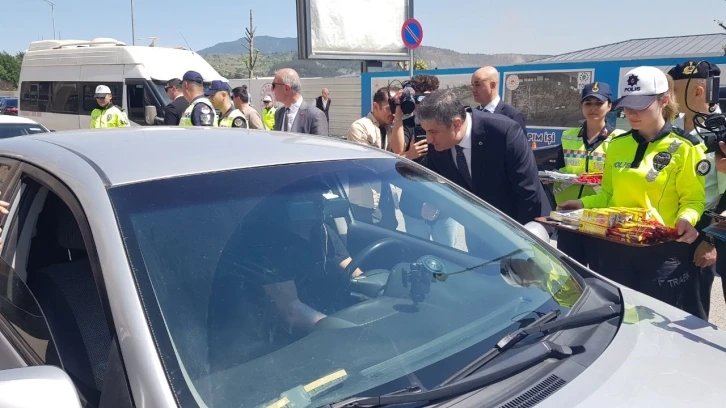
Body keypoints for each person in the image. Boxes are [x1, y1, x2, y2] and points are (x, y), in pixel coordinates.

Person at [559, 66, 705, 308]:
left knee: (655, 319)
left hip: (660, 253)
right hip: (615, 250)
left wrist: (687, 219)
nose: (631, 113)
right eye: (627, 106)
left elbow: (693, 200)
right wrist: (581, 204)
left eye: (641, 106)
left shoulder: (686, 147)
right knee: (618, 315)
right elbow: (608, 195)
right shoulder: (617, 144)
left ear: (664, 101)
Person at [417, 89, 551, 252]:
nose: (428, 139)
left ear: (456, 124)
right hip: (479, 229)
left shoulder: (503, 132)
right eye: (425, 131)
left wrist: (522, 244)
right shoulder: (438, 145)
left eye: (433, 132)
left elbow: (528, 192)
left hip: (519, 225)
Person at [668, 60, 725, 320]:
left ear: (699, 91)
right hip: (673, 221)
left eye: (674, 92)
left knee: (694, 308)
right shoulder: (672, 128)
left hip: (705, 226)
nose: (669, 97)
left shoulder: (721, 132)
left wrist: (710, 240)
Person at [553, 82, 624, 271]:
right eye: (588, 103)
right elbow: (558, 170)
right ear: (581, 106)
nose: (593, 108)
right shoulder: (569, 136)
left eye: (599, 103)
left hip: (601, 218)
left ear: (609, 106)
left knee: (600, 273)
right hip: (569, 216)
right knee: (569, 271)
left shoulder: (620, 139)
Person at [272, 68, 328, 136]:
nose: (272, 89)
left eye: (274, 85)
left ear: (286, 88)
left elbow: (319, 142)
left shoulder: (315, 116)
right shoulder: (279, 113)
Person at [471, 66, 527, 133]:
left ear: (492, 85)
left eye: (477, 85)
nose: (473, 90)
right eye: (472, 85)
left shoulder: (512, 116)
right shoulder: (472, 115)